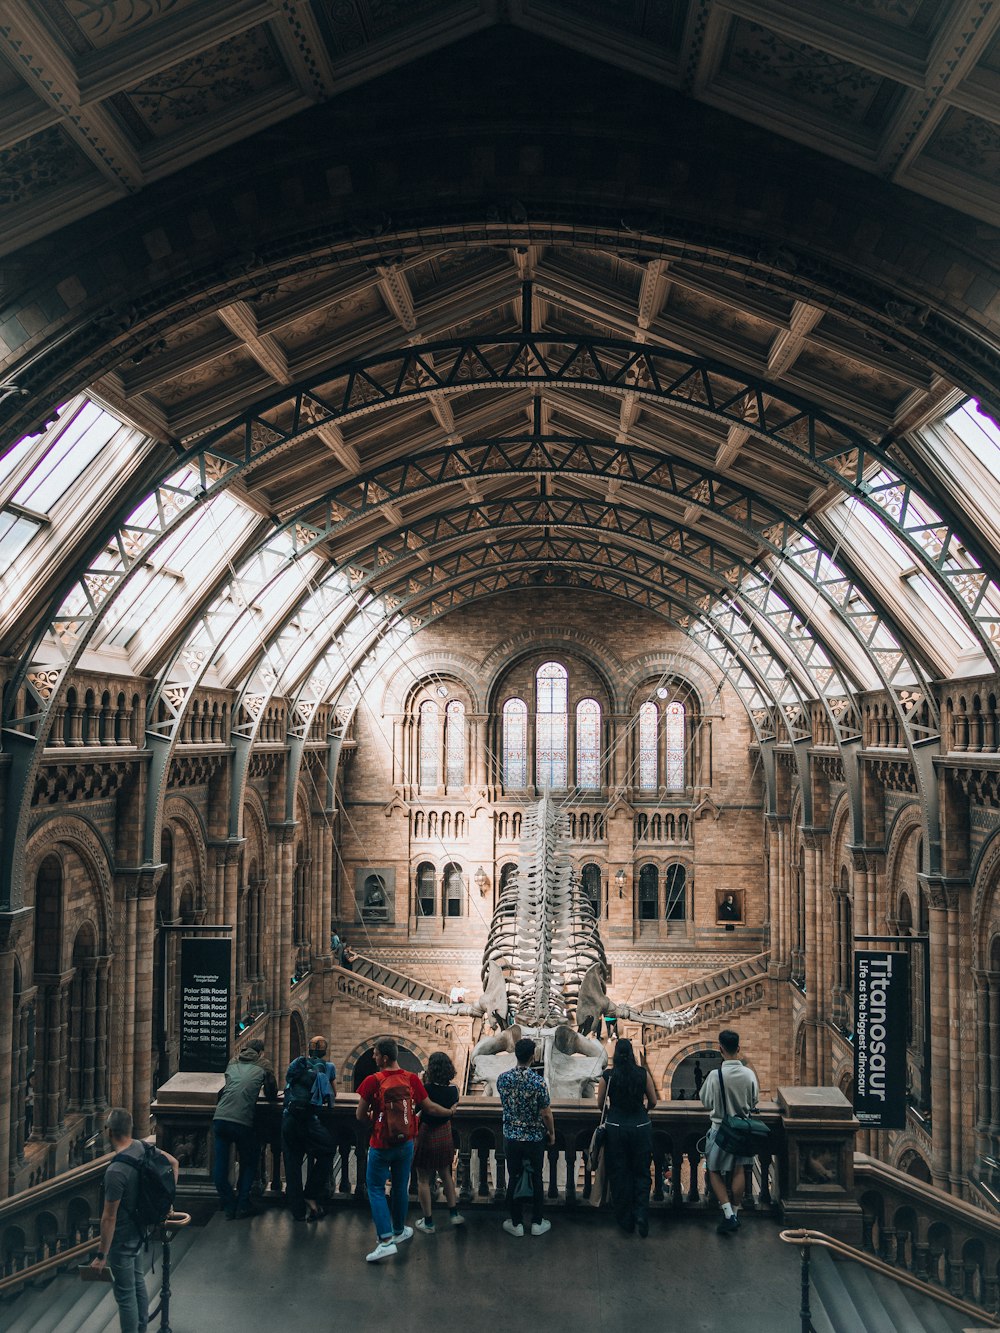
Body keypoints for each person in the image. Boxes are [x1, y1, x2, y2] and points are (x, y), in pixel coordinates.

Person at [356, 1037, 456, 1262]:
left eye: (375, 1053)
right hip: (406, 1144)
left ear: (384, 1057)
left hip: (381, 1144)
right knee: (400, 1187)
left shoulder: (372, 1081)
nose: (373, 1057)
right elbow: (429, 1106)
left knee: (375, 1188)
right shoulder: (411, 1078)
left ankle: (385, 1240)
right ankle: (399, 1230)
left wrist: (375, 1119)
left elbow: (359, 1115)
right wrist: (450, 1112)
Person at [90, 1108, 179, 1333]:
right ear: (129, 1129)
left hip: (122, 1238)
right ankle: (141, 1329)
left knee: (125, 1295)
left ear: (109, 1132)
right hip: (141, 1230)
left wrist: (101, 1254)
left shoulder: (115, 1171)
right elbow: (174, 1162)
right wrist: (168, 1203)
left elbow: (109, 1217)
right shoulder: (143, 1147)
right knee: (137, 1281)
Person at [699, 1028, 759, 1235]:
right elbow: (754, 1101)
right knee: (740, 1170)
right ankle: (735, 1211)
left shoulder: (715, 1076)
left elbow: (706, 1101)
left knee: (714, 1170)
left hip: (720, 1130)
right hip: (743, 1129)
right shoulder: (749, 1074)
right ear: (739, 1048)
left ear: (720, 1049)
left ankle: (728, 1215)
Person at [597, 1038, 657, 1236]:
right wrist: (643, 1112)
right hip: (641, 1126)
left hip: (616, 1127)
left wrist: (613, 1111)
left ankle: (625, 1220)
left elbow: (600, 1104)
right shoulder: (642, 1073)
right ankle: (641, 1213)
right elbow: (653, 1101)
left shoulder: (609, 1075)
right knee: (641, 1172)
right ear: (632, 1054)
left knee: (619, 1173)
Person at [496, 1036, 555, 1238]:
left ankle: (516, 1223)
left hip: (511, 1137)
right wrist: (552, 1133)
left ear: (516, 1055)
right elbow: (546, 1113)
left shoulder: (502, 1079)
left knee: (514, 1176)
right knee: (537, 1178)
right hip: (534, 1138)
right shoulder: (538, 1082)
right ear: (533, 1056)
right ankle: (537, 1222)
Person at [213, 1038, 277, 1219]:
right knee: (249, 1161)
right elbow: (272, 1091)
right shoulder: (264, 1064)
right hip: (242, 1120)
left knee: (220, 1164)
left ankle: (228, 1204)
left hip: (220, 1117)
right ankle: (242, 1204)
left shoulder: (232, 1061)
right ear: (261, 1052)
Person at [282, 1035, 336, 1221]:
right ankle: (311, 1194)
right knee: (328, 1149)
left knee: (292, 1163)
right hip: (308, 1120)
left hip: (288, 1118)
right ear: (324, 1051)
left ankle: (297, 1211)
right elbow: (332, 1096)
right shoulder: (328, 1067)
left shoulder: (298, 1065)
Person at [414, 1050, 464, 1233]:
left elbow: (417, 1108)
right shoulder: (454, 1090)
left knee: (423, 1179)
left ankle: (428, 1222)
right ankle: (454, 1213)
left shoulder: (425, 1090)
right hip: (445, 1134)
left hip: (427, 1134)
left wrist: (421, 1083)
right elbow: (453, 1107)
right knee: (446, 1175)